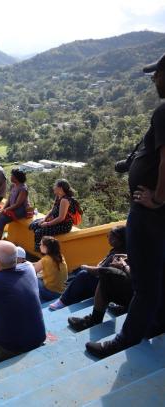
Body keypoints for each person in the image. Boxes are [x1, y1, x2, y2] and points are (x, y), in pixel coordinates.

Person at [86, 53, 165, 358]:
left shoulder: (163, 113)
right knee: (159, 276)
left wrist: (157, 198)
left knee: (145, 283)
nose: (154, 79)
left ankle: (126, 340)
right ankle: (156, 324)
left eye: (157, 73)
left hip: (150, 213)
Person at [49, 225, 126, 310]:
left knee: (83, 274)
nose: (109, 239)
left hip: (106, 285)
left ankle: (63, 301)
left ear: (121, 240)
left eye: (112, 238)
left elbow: (101, 271)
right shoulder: (115, 249)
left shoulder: (119, 255)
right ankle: (70, 297)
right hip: (104, 281)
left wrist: (85, 267)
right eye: (108, 236)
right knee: (79, 275)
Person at [68, 254, 133, 331]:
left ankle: (95, 320)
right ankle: (125, 307)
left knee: (107, 273)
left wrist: (123, 266)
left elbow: (142, 277)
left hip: (143, 296)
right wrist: (125, 258)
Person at [0, 168, 29, 246]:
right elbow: (9, 199)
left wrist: (4, 211)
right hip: (11, 207)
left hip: (20, 210)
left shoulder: (23, 189)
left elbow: (17, 204)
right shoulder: (13, 185)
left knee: (1, 219)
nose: (10, 177)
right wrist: (3, 209)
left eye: (12, 175)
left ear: (16, 178)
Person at [29, 179, 77, 251]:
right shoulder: (58, 196)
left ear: (60, 188)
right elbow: (52, 210)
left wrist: (47, 224)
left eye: (55, 186)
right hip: (55, 220)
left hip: (64, 225)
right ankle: (42, 247)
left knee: (38, 232)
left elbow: (61, 218)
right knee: (33, 225)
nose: (54, 187)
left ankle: (42, 252)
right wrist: (44, 219)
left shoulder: (65, 200)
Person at [33, 236, 68, 302]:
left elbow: (31, 271)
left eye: (41, 244)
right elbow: (39, 264)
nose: (39, 246)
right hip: (61, 292)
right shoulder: (60, 256)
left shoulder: (45, 260)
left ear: (46, 247)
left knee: (33, 278)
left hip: (50, 294)